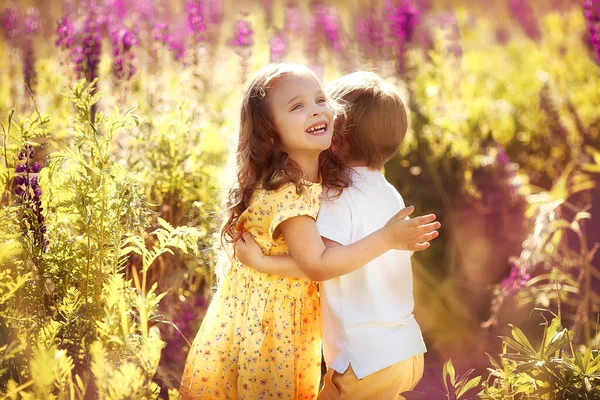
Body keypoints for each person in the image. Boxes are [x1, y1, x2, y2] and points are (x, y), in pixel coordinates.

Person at [235, 71, 435, 399]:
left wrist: (261, 261)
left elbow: (319, 263)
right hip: (406, 349)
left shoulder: (339, 196)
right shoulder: (390, 195)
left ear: (337, 137)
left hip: (364, 359)